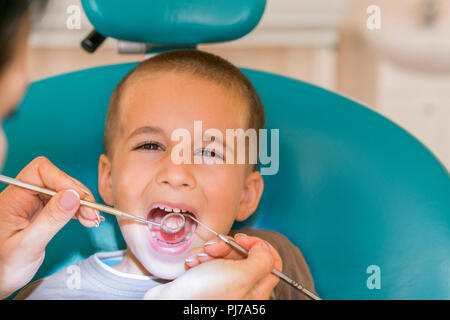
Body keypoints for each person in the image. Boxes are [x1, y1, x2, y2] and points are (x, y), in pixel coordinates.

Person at [0, 1, 304, 300]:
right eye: (150, 145)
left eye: (209, 153)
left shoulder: (271, 271)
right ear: (107, 179)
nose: (175, 173)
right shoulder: (52, 295)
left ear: (246, 195)